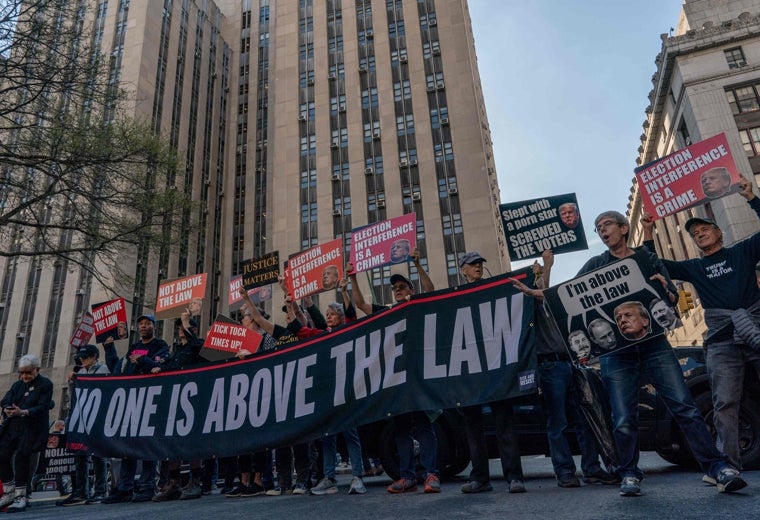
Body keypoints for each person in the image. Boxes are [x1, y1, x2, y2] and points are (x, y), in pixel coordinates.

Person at [578, 210, 745, 496]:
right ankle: (629, 474)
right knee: (622, 417)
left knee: (685, 407)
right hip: (616, 354)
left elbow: (671, 299)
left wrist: (668, 291)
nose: (602, 230)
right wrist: (542, 285)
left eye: (606, 224)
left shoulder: (647, 259)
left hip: (655, 346)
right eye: (597, 228)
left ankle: (718, 468)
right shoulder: (595, 265)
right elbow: (570, 300)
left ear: (623, 228)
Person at [641, 176, 760, 480]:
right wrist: (649, 231)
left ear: (719, 232)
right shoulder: (694, 268)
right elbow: (652, 264)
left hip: (755, 331)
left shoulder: (741, 252)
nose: (700, 234)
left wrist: (752, 198)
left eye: (705, 229)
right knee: (724, 402)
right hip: (722, 341)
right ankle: (728, 467)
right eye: (695, 234)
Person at [349, 248, 441, 494]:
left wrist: (418, 264)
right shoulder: (387, 312)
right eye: (395, 287)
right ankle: (407, 476)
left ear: (411, 290)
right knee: (400, 428)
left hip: (418, 376)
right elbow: (360, 304)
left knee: (423, 425)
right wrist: (353, 277)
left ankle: (431, 474)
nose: (398, 289)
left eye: (402, 286)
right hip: (396, 379)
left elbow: (430, 291)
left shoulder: (418, 305)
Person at [528, 251, 617, 489]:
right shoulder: (531, 310)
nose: (539, 283)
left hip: (571, 365)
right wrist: (546, 267)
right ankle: (565, 472)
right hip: (548, 367)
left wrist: (546, 267)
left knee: (585, 419)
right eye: (534, 281)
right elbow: (542, 291)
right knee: (557, 423)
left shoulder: (555, 305)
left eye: (539, 279)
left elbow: (548, 292)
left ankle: (592, 469)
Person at [457, 251, 526, 494]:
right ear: (463, 269)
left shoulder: (495, 290)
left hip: (497, 368)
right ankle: (480, 478)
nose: (477, 267)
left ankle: (514, 477)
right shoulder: (455, 296)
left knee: (504, 424)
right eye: (472, 264)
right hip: (469, 372)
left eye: (480, 263)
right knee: (473, 428)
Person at [102, 314, 169, 504]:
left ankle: (147, 486)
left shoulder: (160, 346)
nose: (144, 326)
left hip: (150, 401)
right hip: (131, 402)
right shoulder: (133, 347)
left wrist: (142, 361)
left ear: (154, 327)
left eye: (147, 323)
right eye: (141, 324)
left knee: (148, 444)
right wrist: (109, 347)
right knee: (128, 445)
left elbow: (162, 366)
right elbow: (117, 368)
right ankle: (125, 488)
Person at [0, 354, 54, 512]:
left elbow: (43, 406)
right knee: (2, 454)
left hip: (32, 427)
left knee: (22, 458)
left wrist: (23, 411)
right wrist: (7, 408)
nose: (24, 376)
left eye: (28, 373)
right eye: (22, 373)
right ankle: (9, 492)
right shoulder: (18, 385)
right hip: (14, 425)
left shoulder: (45, 384)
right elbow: (5, 399)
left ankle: (21, 496)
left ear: (37, 370)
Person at [57, 345, 110, 507]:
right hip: (82, 418)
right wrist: (72, 382)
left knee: (98, 454)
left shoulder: (103, 370)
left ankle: (101, 490)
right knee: (79, 454)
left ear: (94, 356)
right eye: (81, 357)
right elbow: (75, 397)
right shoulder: (80, 373)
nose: (82, 359)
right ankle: (81, 492)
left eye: (85, 357)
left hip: (98, 417)